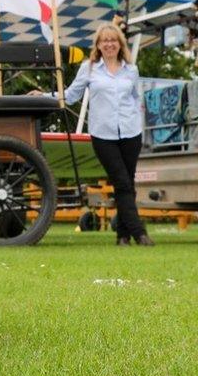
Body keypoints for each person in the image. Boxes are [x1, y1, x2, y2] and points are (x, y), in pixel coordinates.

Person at [28, 21, 154, 246]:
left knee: (127, 184)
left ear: (120, 44)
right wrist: (44, 95)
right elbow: (71, 95)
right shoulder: (89, 68)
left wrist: (140, 122)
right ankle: (140, 233)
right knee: (122, 181)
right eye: (105, 40)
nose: (109, 44)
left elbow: (136, 99)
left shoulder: (131, 70)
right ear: (98, 45)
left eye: (113, 40)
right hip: (103, 134)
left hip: (130, 132)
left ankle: (122, 237)